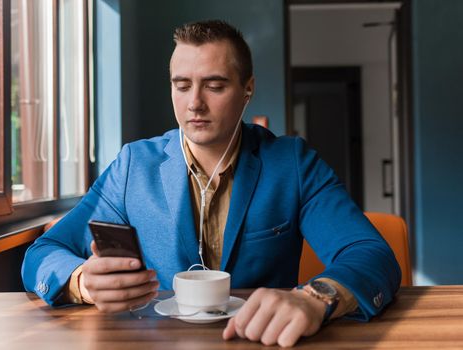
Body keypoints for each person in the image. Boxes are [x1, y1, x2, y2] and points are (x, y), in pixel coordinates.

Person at [22, 20, 401, 347]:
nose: (194, 104)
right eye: (182, 85)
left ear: (247, 88)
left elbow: (372, 255)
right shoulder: (132, 166)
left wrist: (316, 297)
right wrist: (81, 283)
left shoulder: (293, 163)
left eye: (215, 86)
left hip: (261, 342)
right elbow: (44, 253)